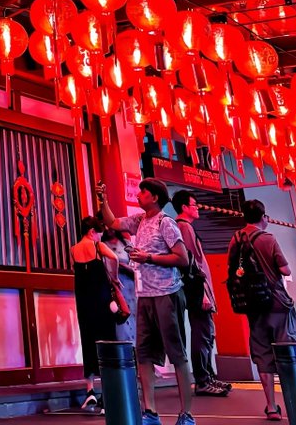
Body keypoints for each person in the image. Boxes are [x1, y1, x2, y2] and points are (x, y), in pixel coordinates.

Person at [97, 178, 193, 425]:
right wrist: (103, 199)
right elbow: (112, 222)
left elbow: (182, 258)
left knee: (177, 354)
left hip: (167, 294)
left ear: (155, 198)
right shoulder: (139, 221)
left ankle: (187, 414)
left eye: (143, 192)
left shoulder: (166, 222)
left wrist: (149, 257)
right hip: (145, 295)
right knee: (144, 355)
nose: (139, 195)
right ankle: (150, 411)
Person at [226, 199, 296, 421]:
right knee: (288, 351)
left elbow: (232, 269)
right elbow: (284, 268)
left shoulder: (236, 238)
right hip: (276, 303)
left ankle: (271, 406)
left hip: (252, 305)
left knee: (262, 353)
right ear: (264, 217)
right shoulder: (268, 239)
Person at [172, 190, 230, 397]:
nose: (197, 208)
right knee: (202, 332)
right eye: (194, 204)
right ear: (184, 207)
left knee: (206, 333)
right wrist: (203, 292)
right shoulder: (184, 227)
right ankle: (203, 380)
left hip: (199, 288)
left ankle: (208, 376)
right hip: (197, 288)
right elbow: (192, 264)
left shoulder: (185, 227)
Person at [72, 216, 119, 411]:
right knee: (106, 340)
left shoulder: (73, 249)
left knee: (88, 340)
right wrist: (114, 278)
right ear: (92, 231)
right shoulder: (98, 247)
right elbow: (115, 258)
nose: (101, 236)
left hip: (83, 302)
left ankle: (90, 391)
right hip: (101, 301)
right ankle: (108, 394)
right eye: (99, 232)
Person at [103, 228, 137, 346]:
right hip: (115, 286)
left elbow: (136, 263)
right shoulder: (102, 245)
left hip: (129, 284)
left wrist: (124, 266)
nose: (108, 229)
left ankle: (137, 348)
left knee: (134, 314)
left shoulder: (126, 244)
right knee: (121, 314)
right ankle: (125, 346)